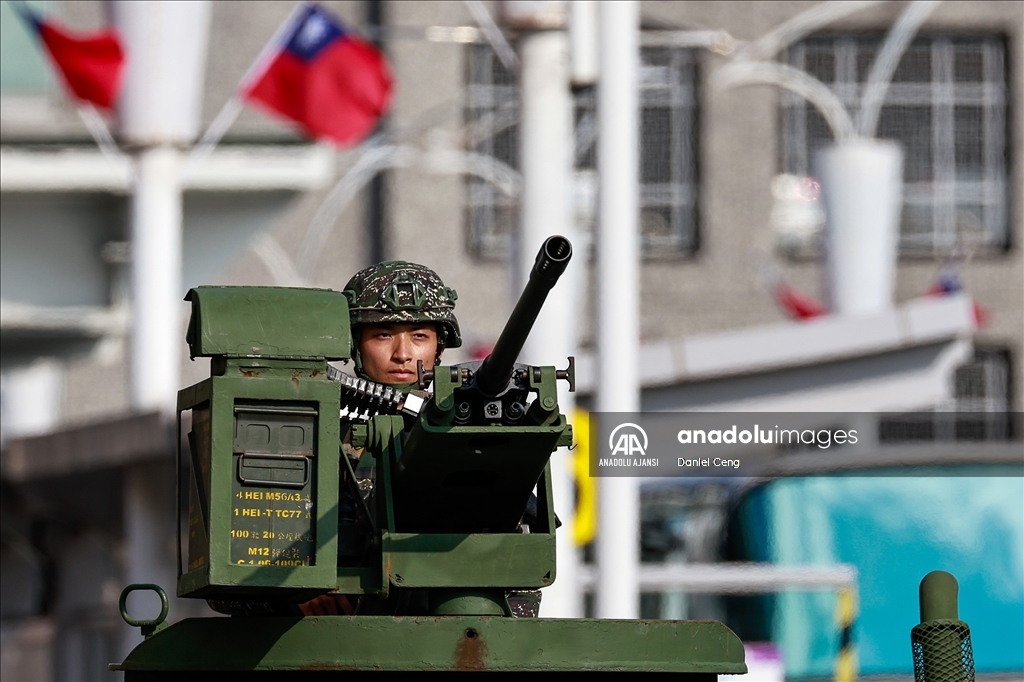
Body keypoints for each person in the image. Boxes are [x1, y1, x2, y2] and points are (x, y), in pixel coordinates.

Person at [299, 260, 461, 616]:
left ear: (438, 347)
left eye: (419, 335)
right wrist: (298, 591)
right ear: (355, 344)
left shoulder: (463, 429)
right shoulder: (316, 429)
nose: (403, 354)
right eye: (383, 334)